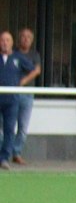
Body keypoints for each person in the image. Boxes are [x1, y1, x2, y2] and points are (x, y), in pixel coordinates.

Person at [9, 27, 40, 165]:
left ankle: (17, 152)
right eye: (23, 36)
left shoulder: (34, 55)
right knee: (7, 125)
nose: (25, 39)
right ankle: (5, 153)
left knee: (22, 126)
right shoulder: (12, 54)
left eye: (28, 37)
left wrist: (23, 82)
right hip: (12, 94)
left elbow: (37, 70)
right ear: (18, 38)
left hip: (27, 94)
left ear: (32, 40)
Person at [0, 32, 22, 168]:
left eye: (7, 40)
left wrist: (22, 82)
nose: (5, 43)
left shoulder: (18, 58)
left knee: (9, 129)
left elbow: (35, 69)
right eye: (2, 40)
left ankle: (4, 158)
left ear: (12, 43)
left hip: (12, 100)